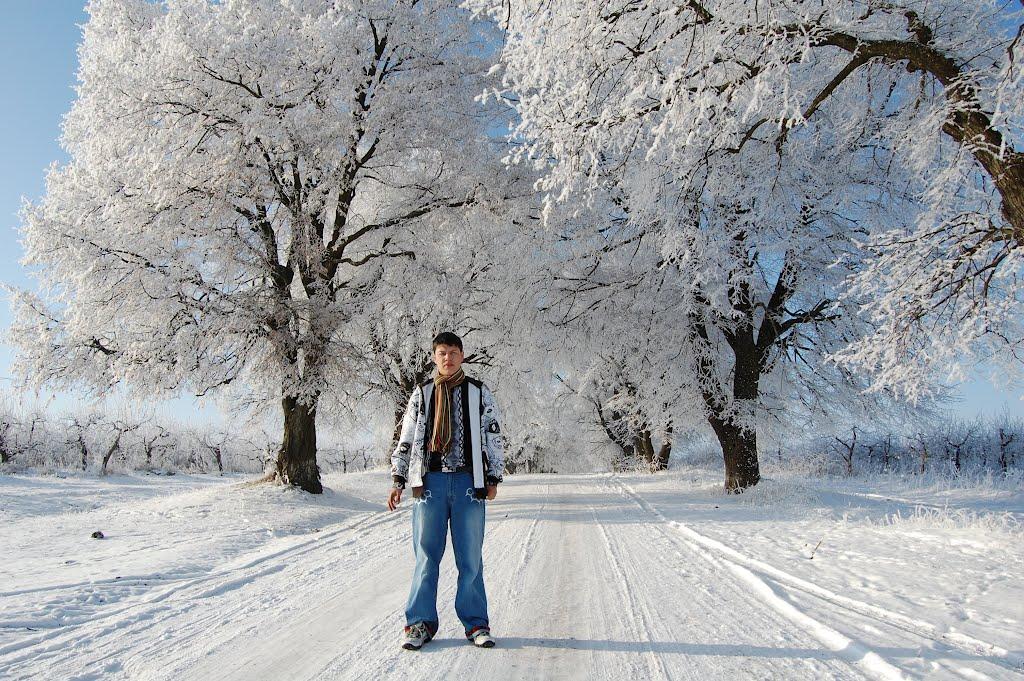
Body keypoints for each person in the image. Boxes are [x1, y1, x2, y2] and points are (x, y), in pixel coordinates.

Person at [387, 331, 505, 651]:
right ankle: (419, 623)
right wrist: (399, 479)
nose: (447, 358)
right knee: (426, 557)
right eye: (441, 352)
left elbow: (493, 434)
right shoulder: (422, 394)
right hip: (431, 484)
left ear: (462, 355)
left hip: (469, 482)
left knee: (470, 558)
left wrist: (493, 476)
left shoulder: (478, 392)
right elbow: (408, 437)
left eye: (453, 352)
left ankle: (476, 624)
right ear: (433, 356)